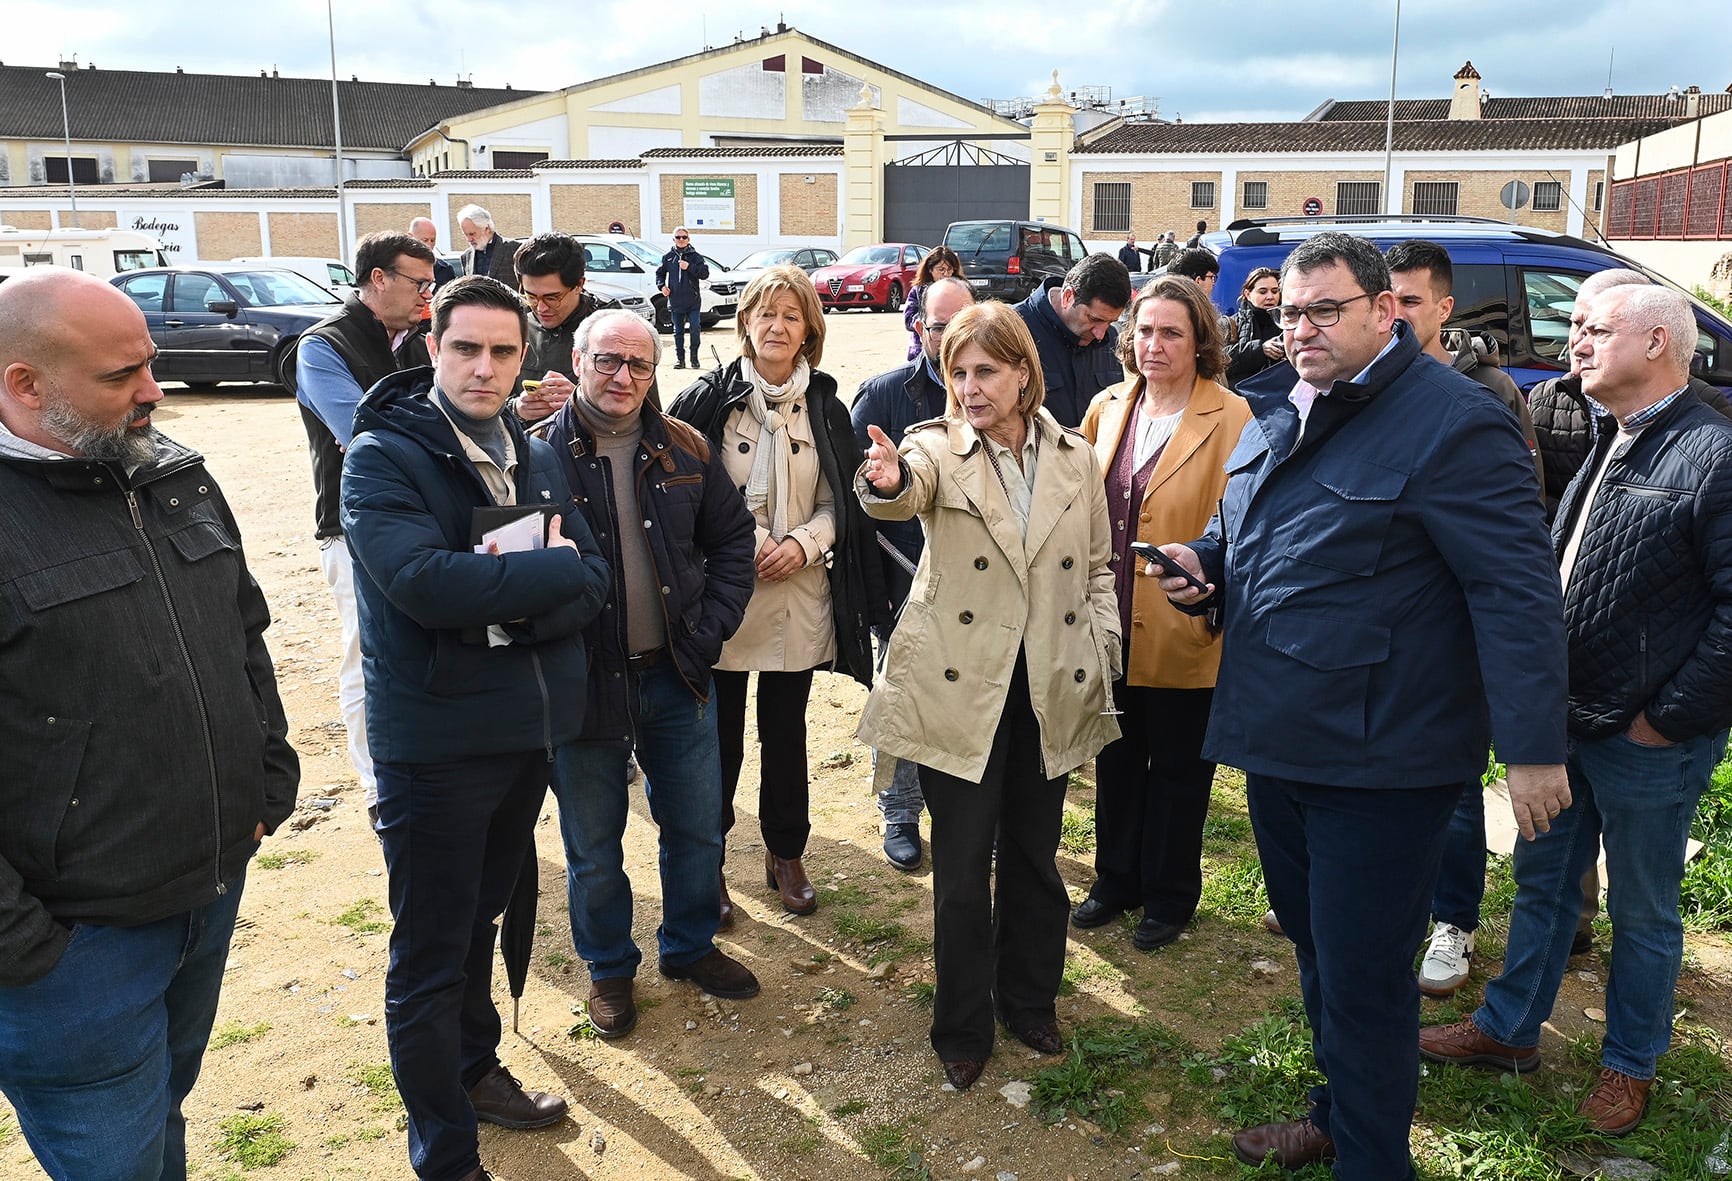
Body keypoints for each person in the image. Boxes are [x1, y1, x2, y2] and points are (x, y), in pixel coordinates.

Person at [1153, 232, 1568, 1179]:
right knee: (1318, 955)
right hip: (1280, 739)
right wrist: (1205, 567)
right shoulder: (1281, 405)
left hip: (1383, 763)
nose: (1300, 329)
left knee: (1368, 981)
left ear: (1387, 311)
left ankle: (1374, 1161)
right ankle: (1339, 1113)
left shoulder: (1455, 423)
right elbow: (1242, 528)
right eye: (1290, 311)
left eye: (1325, 310)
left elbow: (1515, 590)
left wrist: (1535, 749)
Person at [0, 268, 299, 1180]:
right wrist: (27, 947)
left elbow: (243, 629)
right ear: (24, 384)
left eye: (152, 364)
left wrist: (267, 779)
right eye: (120, 375)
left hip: (205, 891)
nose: (153, 391)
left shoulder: (172, 473)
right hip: (73, 950)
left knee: (161, 1112)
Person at [1421, 285, 1732, 1138]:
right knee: (1546, 882)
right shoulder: (1609, 434)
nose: (1575, 343)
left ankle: (1629, 1063)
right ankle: (1510, 1029)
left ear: (1660, 341)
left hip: (1647, 739)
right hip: (1564, 722)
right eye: (1577, 328)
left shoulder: (1713, 452)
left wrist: (1664, 720)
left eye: (1595, 329)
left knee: (1643, 907)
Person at [341, 275, 611, 1181]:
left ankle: (476, 1067)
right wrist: (548, 582)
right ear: (430, 346)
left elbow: (597, 578)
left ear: (525, 356)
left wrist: (517, 600)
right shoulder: (383, 454)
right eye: (467, 348)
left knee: (484, 920)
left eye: (503, 351)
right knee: (429, 954)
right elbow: (422, 583)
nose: (485, 367)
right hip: (437, 747)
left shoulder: (529, 454)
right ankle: (446, 1156)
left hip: (523, 732)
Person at [856, 300, 1121, 1091]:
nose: (969, 387)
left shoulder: (1075, 455)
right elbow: (905, 489)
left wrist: (1102, 644)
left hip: (1050, 685)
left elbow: (1100, 566)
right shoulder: (932, 447)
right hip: (962, 686)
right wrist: (890, 480)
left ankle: (1030, 999)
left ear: (1021, 372)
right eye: (956, 372)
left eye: (985, 371)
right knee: (965, 865)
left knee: (1037, 860)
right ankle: (962, 1023)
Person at [543, 309, 760, 1038]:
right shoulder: (535, 454)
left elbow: (732, 540)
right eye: (608, 360)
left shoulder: (685, 446)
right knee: (594, 846)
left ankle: (690, 946)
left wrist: (708, 632)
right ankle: (608, 968)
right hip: (584, 687)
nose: (623, 377)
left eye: (639, 363)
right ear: (578, 358)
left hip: (677, 675)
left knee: (696, 828)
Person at [667, 265, 882, 920]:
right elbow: (683, 485)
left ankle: (786, 852)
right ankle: (711, 858)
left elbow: (839, 498)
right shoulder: (707, 399)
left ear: (810, 330)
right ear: (745, 324)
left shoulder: (826, 407)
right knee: (720, 736)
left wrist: (805, 544)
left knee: (785, 731)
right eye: (766, 313)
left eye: (792, 315)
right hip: (725, 590)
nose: (778, 326)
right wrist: (753, 536)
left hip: (798, 590)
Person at [1383, 238, 1547, 997]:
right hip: (1374, 637)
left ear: (1445, 310)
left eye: (1411, 301)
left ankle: (1453, 921)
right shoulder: (1361, 384)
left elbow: (1512, 535)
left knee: (1451, 789)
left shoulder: (1488, 397)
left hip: (1449, 638)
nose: (1395, 314)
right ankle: (1384, 901)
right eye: (1386, 299)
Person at [1071, 275, 1251, 951]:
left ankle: (1170, 895)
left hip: (1184, 627)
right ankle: (1114, 880)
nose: (1154, 344)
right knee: (1115, 762)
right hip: (1109, 624)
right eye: (1144, 330)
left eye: (1171, 331)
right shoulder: (1108, 405)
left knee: (1178, 772)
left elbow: (1242, 523)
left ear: (1200, 340)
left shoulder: (1232, 416)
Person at [294, 230, 436, 828]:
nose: (428, 294)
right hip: (351, 529)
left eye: (432, 284)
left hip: (427, 519)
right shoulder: (322, 347)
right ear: (378, 279)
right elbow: (363, 435)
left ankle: (426, 763)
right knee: (366, 654)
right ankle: (379, 782)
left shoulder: (420, 341)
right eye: (418, 283)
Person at [852, 275, 977, 869]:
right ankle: (900, 811)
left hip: (980, 589)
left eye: (962, 326)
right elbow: (857, 493)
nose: (950, 339)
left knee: (970, 699)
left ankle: (971, 811)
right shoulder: (883, 395)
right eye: (938, 327)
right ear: (917, 327)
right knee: (901, 696)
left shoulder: (1000, 395)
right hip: (902, 577)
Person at [1530, 268, 1732, 520]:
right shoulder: (1547, 398)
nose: (1578, 344)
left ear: (1654, 342)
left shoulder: (1711, 425)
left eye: (1600, 331)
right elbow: (1526, 489)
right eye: (1576, 324)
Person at [1013, 252, 1134, 429]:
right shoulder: (1012, 331)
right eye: (1094, 319)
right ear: (1068, 296)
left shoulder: (1110, 338)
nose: (1101, 334)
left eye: (1111, 322)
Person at [512, 231, 611, 422]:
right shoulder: (514, 324)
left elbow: (646, 415)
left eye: (552, 298)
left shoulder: (614, 329)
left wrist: (582, 404)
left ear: (579, 284)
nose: (540, 308)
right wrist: (516, 409)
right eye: (530, 296)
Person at [657, 226, 711, 370]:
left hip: (692, 301)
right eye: (678, 237)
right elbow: (659, 274)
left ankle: (694, 358)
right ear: (673, 239)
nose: (681, 240)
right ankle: (680, 360)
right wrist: (662, 286)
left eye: (684, 237)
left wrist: (690, 267)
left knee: (695, 328)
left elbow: (705, 274)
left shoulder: (696, 257)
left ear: (689, 239)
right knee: (678, 331)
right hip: (675, 301)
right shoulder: (668, 257)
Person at [1224, 266, 1285, 389]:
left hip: (1282, 398)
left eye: (1274, 291)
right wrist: (1260, 349)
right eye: (1262, 292)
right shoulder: (1232, 323)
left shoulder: (1288, 322)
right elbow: (1219, 359)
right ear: (1248, 294)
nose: (1270, 297)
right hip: (1243, 398)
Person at [903, 245, 963, 361]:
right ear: (930, 269)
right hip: (922, 350)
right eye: (941, 269)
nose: (946, 274)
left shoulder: (961, 290)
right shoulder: (918, 291)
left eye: (950, 269)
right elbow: (908, 320)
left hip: (955, 349)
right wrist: (933, 321)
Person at [457, 204, 521, 285]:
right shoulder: (466, 257)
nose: (469, 239)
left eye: (472, 234)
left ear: (487, 228)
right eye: (465, 234)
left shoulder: (513, 249)